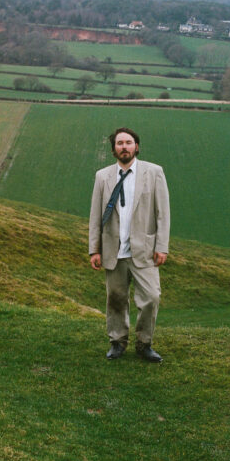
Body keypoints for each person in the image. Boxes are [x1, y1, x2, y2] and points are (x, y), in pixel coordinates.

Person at [89, 127, 170, 362]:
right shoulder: (102, 176)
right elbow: (95, 215)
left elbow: (162, 213)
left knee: (151, 297)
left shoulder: (154, 172)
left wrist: (162, 246)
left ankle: (144, 343)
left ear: (137, 146)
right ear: (114, 148)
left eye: (129, 142)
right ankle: (117, 342)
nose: (124, 146)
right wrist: (95, 249)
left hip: (144, 250)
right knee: (115, 298)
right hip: (113, 250)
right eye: (119, 143)